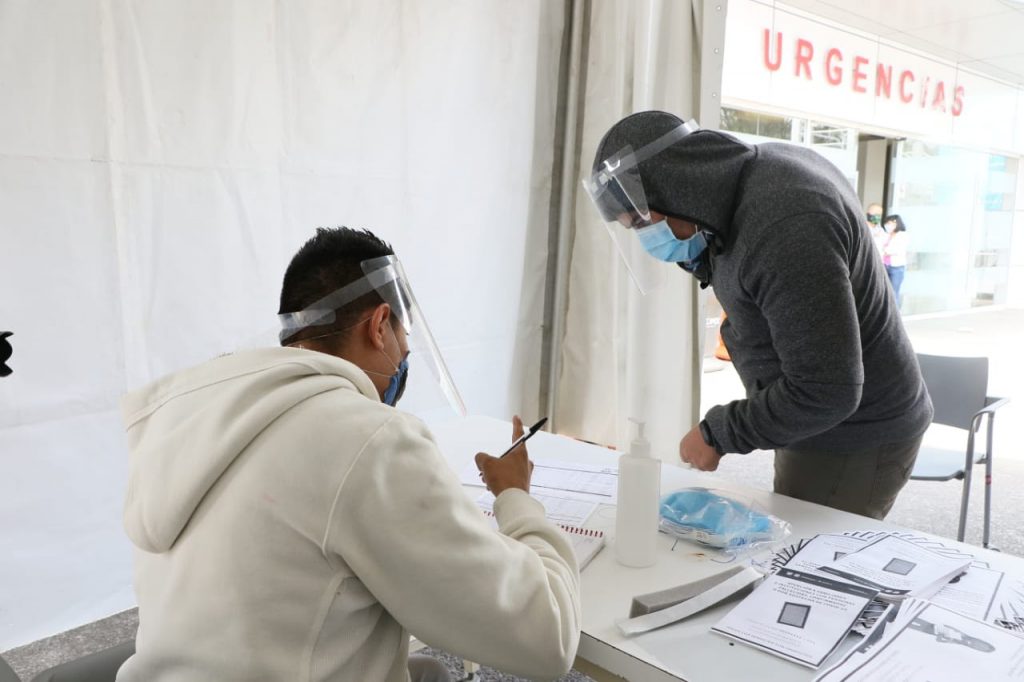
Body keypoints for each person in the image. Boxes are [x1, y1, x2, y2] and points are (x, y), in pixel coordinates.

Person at [116, 227, 581, 682]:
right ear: (380, 326)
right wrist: (517, 498)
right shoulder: (367, 439)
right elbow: (548, 636)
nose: (403, 359)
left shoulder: (193, 415)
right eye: (403, 340)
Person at [582, 111, 933, 520]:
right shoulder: (743, 183)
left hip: (852, 435)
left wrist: (718, 433)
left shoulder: (788, 226)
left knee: (802, 571)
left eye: (643, 221)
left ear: (680, 187)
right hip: (814, 420)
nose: (645, 237)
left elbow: (827, 389)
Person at [882, 214, 909, 302]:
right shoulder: (886, 235)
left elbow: (894, 250)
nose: (887, 225)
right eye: (887, 223)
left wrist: (885, 250)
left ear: (896, 223)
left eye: (890, 223)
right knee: (885, 291)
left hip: (897, 268)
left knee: (893, 293)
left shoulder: (902, 235)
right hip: (885, 266)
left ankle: (894, 314)